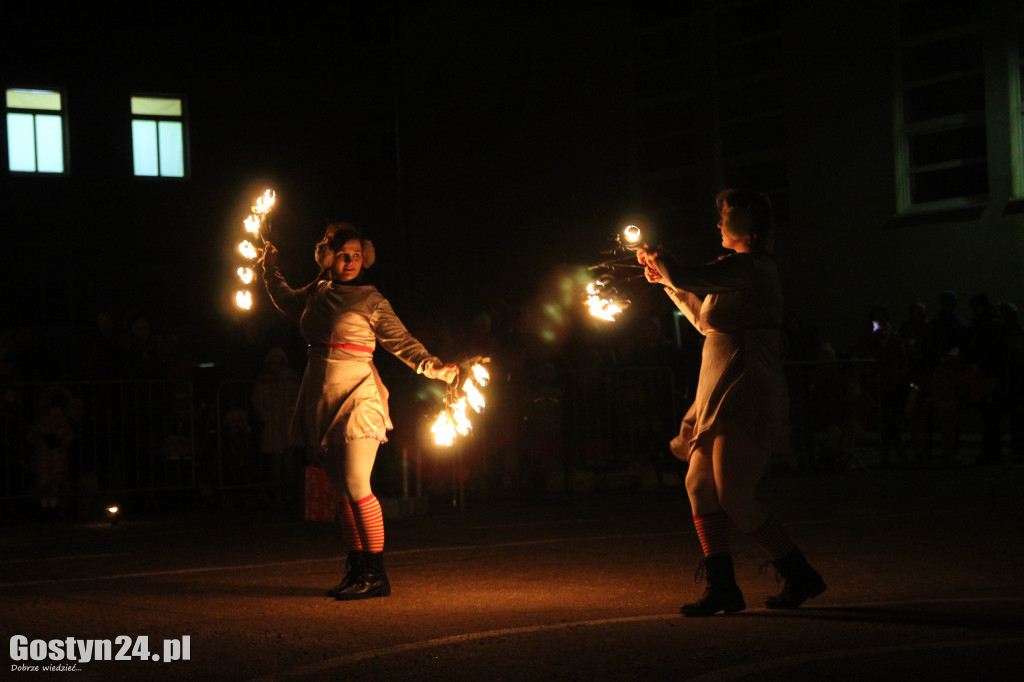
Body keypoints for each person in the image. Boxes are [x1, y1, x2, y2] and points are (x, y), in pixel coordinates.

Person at [637, 189, 825, 616]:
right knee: (699, 485)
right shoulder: (734, 270)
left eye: (726, 216)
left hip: (746, 386)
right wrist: (666, 278)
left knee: (735, 495)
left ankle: (800, 574)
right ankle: (723, 587)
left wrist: (666, 264)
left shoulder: (754, 266)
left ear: (750, 226)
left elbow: (691, 276)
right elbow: (705, 319)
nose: (719, 224)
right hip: (719, 385)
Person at [262, 223, 457, 601]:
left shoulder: (371, 299)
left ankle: (377, 573)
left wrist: (432, 366)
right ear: (327, 257)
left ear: (364, 258)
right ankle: (356, 570)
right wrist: (269, 268)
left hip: (358, 395)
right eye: (342, 254)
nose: (349, 261)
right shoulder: (317, 291)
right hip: (321, 394)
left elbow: (400, 341)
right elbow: (285, 300)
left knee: (356, 484)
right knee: (341, 492)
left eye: (355, 255)